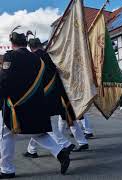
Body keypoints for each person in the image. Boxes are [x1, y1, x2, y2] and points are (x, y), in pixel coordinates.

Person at [0, 29, 70, 178]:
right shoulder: (38, 60)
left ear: (12, 43)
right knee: (38, 133)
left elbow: (5, 81)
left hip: (16, 105)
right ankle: (60, 153)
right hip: (37, 104)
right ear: (25, 43)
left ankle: (7, 169)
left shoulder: (10, 56)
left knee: (6, 134)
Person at [27, 37, 89, 153]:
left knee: (43, 123)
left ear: (31, 48)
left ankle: (65, 144)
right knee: (70, 119)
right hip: (62, 91)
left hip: (47, 94)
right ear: (40, 44)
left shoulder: (34, 58)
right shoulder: (51, 55)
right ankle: (32, 149)